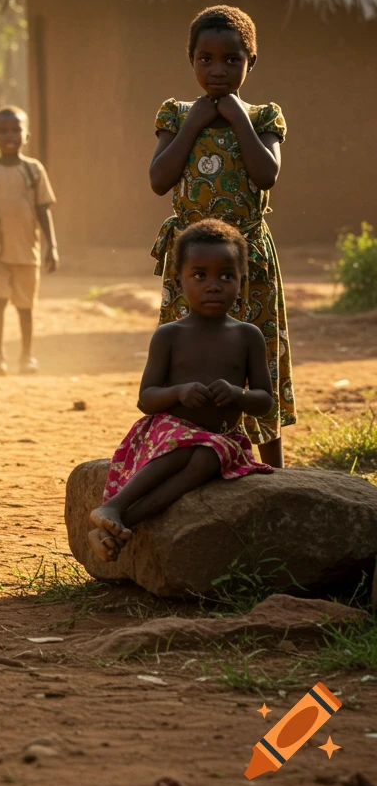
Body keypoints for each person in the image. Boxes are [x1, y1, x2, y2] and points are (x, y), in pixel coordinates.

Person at [149, 4, 292, 468]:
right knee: (186, 352)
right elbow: (159, 178)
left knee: (257, 350)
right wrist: (194, 122)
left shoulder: (264, 116)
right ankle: (178, 450)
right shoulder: (175, 114)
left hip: (247, 263)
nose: (218, 69)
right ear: (190, 60)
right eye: (205, 59)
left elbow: (266, 174)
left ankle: (272, 468)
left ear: (252, 62)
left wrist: (238, 119)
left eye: (232, 59)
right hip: (189, 260)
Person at [89, 220, 273, 563]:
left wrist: (238, 394)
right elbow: (147, 399)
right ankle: (115, 506)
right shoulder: (169, 336)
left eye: (226, 276)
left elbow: (264, 402)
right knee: (187, 447)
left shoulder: (248, 337)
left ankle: (119, 521)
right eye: (200, 276)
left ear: (242, 282)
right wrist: (179, 392)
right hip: (168, 434)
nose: (213, 286)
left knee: (206, 455)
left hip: (219, 439)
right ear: (178, 282)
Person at [0, 106, 57, 376]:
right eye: (3, 130)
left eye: (16, 130)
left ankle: (26, 355)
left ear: (26, 135)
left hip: (27, 252)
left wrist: (51, 246)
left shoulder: (34, 170)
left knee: (25, 307)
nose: (10, 135)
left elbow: (44, 210)